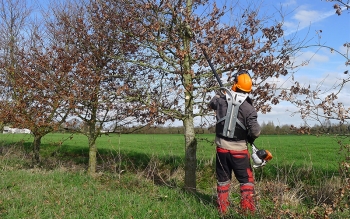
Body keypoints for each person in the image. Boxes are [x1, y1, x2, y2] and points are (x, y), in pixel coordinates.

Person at [208, 70, 261, 216]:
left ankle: (222, 210)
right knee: (246, 181)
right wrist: (250, 138)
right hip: (239, 151)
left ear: (234, 85)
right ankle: (247, 211)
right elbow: (255, 131)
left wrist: (221, 93)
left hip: (221, 150)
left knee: (223, 180)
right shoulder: (249, 108)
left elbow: (211, 103)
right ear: (248, 90)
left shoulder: (220, 101)